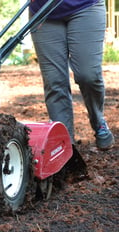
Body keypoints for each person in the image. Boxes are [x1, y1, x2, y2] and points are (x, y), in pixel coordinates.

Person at [29, 0, 115, 150]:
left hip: (86, 6)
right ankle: (64, 145)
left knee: (88, 75)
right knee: (54, 82)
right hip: (43, 11)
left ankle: (98, 120)